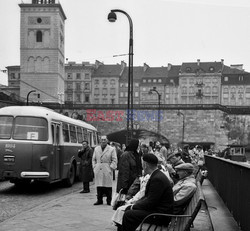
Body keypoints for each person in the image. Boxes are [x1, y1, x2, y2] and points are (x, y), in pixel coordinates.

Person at [121, 154, 174, 231]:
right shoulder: (157, 175)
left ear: (145, 164)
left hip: (160, 216)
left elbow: (150, 202)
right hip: (158, 211)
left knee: (128, 215)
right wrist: (135, 205)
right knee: (129, 211)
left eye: (142, 163)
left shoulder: (157, 178)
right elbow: (149, 198)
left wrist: (134, 206)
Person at [92, 135, 117, 205]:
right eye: (102, 140)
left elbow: (114, 160)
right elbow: (93, 159)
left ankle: (109, 200)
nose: (103, 141)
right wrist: (94, 167)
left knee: (108, 185)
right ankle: (99, 200)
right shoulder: (96, 149)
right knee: (99, 185)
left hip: (107, 168)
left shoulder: (111, 149)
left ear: (107, 140)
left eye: (104, 140)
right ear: (100, 140)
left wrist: (111, 168)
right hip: (98, 168)